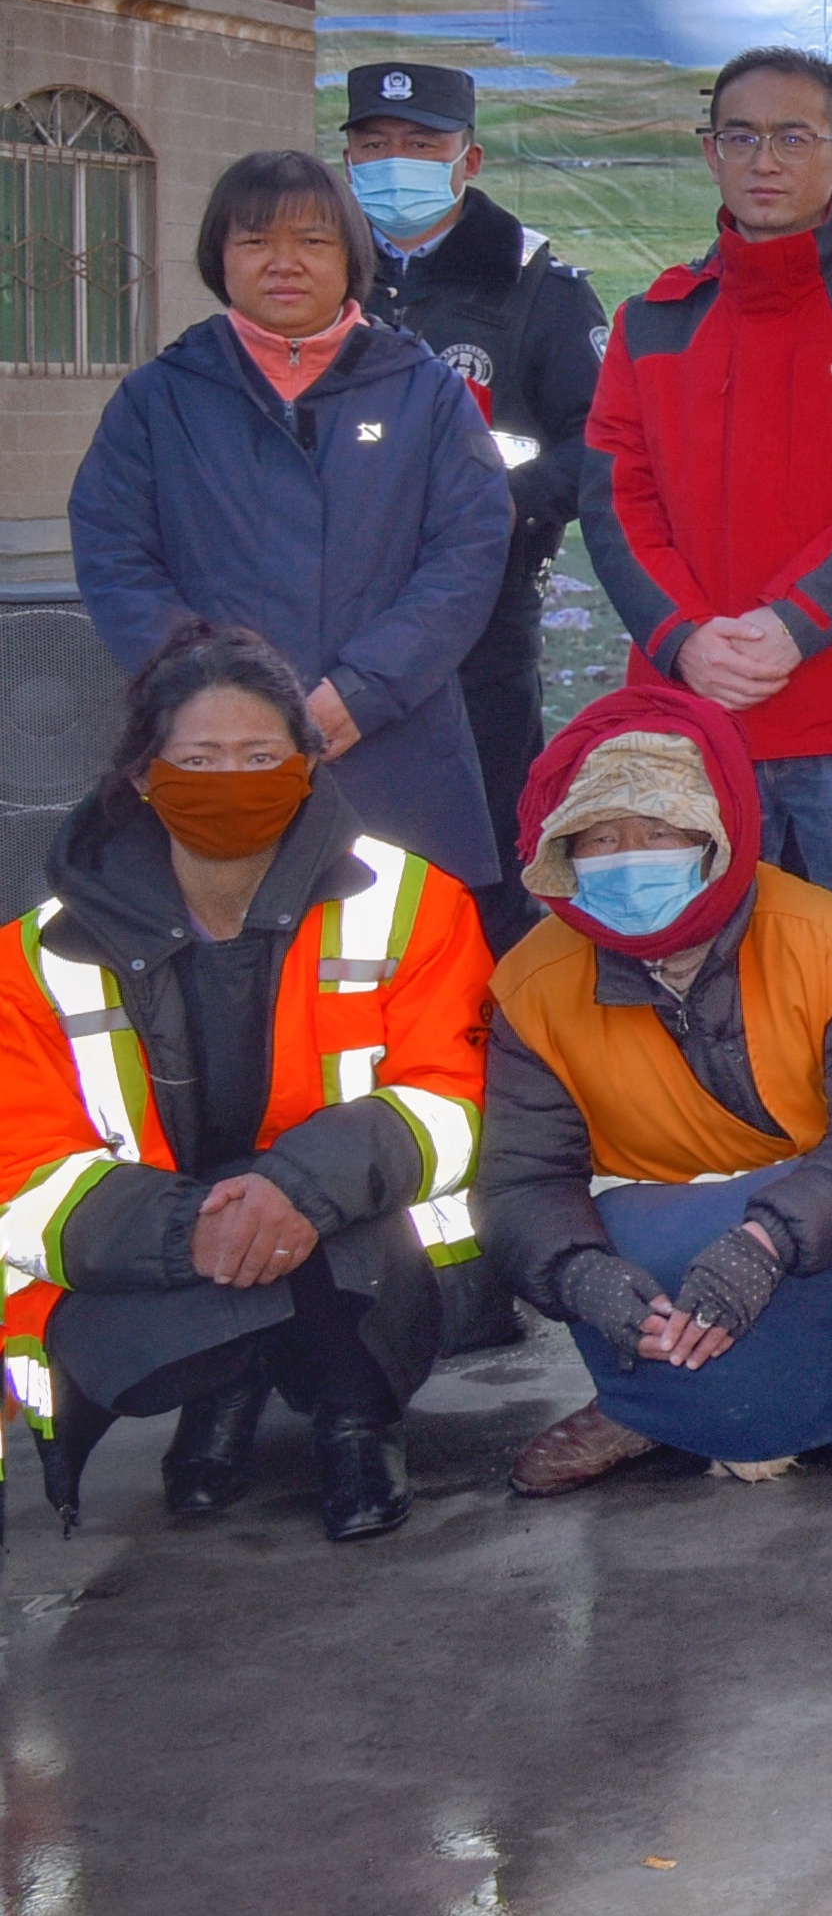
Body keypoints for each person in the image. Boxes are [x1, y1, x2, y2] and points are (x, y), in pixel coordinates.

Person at [1, 627, 491, 1541]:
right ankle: (222, 1386)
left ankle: (357, 1414)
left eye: (261, 756)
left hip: (366, 1245)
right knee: (224, 1227)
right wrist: (190, 1230)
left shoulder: (416, 901)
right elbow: (20, 1170)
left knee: (343, 1212)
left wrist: (298, 1188)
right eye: (199, 760)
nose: (232, 780)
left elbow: (455, 1102)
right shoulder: (33, 955)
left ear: (309, 763)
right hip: (161, 1255)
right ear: (142, 775)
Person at [475, 682, 832, 1495]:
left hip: (825, 1208)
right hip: (657, 1217)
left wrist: (766, 1240)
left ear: (715, 838)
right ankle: (640, 1407)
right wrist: (580, 1273)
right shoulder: (532, 983)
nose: (631, 856)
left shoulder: (826, 941)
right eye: (602, 838)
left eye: (660, 832)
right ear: (567, 854)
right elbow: (522, 1180)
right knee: (616, 1250)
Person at [580, 48, 832, 963]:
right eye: (742, 137)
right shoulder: (653, 320)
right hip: (693, 710)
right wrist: (685, 637)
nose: (765, 161)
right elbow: (614, 500)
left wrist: (795, 623)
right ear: (710, 153)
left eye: (794, 138)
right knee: (689, 975)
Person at [73, 150, 516, 888]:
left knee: (397, 942)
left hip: (391, 748)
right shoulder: (160, 396)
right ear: (219, 256)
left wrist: (363, 689)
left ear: (350, 257)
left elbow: (468, 554)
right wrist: (212, 692)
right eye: (255, 241)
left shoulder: (426, 391)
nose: (285, 263)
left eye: (312, 241)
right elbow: (113, 553)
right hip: (211, 755)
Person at [343, 58, 607, 907]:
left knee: (480, 858)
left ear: (469, 159)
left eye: (422, 144)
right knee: (341, 860)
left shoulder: (538, 288)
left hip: (481, 628)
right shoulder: (318, 273)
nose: (396, 163)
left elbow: (601, 443)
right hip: (333, 624)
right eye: (374, 144)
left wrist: (490, 509)